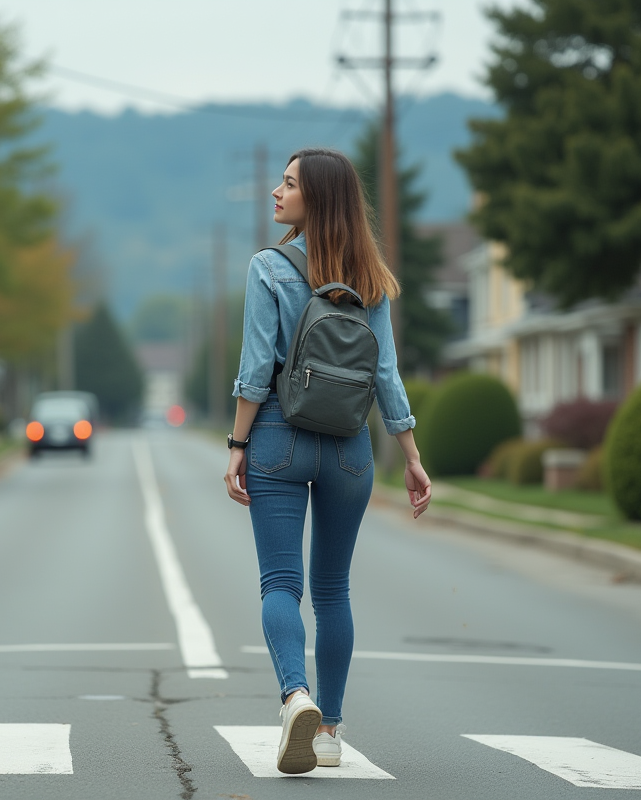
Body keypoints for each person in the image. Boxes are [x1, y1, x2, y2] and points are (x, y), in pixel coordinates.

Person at [223, 147, 432, 775]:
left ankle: (295, 697)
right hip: (349, 449)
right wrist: (413, 457)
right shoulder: (371, 280)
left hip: (277, 440)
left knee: (280, 585)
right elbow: (388, 376)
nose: (276, 193)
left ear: (315, 197)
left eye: (287, 185)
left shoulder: (269, 268)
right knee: (333, 589)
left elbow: (256, 370)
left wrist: (236, 447)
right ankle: (331, 733)